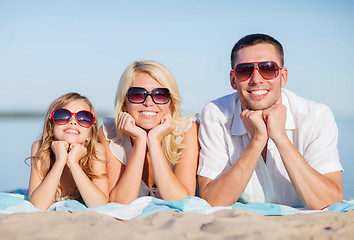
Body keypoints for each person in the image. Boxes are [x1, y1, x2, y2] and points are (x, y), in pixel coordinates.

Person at [197, 33, 344, 210]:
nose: (256, 79)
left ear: (283, 77)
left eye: (268, 68)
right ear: (232, 80)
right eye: (244, 70)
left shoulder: (316, 116)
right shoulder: (216, 115)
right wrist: (257, 140)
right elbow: (212, 201)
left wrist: (280, 138)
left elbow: (329, 202)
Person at [99, 60, 199, 204]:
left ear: (170, 103)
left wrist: (154, 140)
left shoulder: (187, 130)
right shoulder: (109, 134)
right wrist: (140, 141)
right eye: (138, 94)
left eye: (160, 95)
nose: (149, 102)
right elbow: (119, 203)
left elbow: (183, 201)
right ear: (124, 103)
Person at [28, 92, 109, 210]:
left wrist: (73, 163)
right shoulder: (40, 147)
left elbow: (100, 204)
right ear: (51, 126)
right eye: (63, 116)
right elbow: (38, 205)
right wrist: (60, 161)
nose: (73, 121)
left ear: (89, 132)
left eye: (84, 118)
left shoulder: (96, 151)